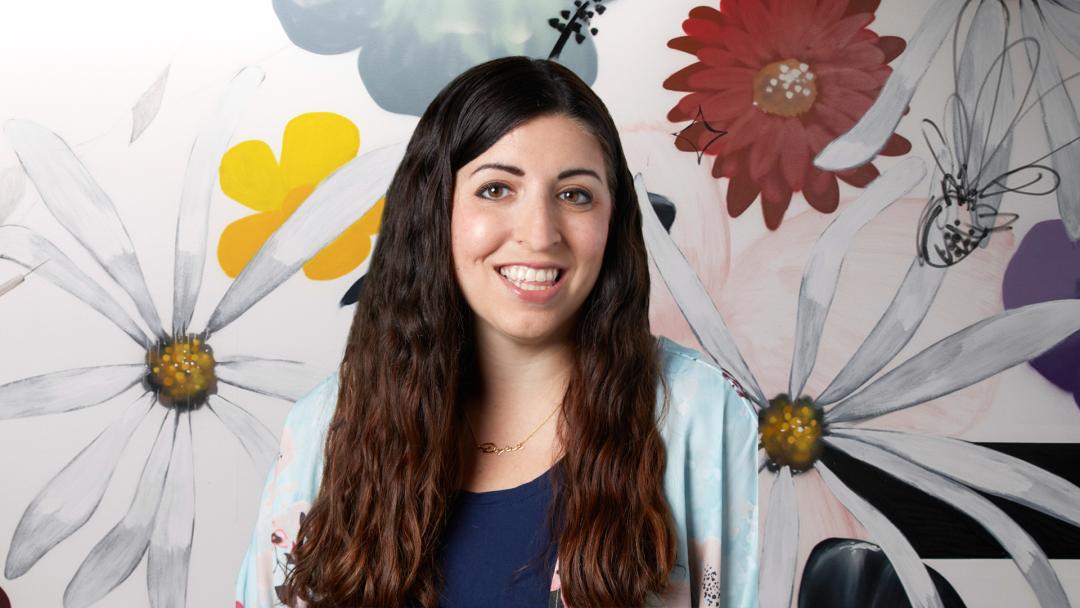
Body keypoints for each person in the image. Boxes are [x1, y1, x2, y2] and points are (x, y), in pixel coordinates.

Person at [235, 56, 758, 608]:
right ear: (434, 209)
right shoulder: (325, 426)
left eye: (575, 194)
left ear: (613, 218)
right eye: (496, 189)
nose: (539, 234)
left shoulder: (697, 412)